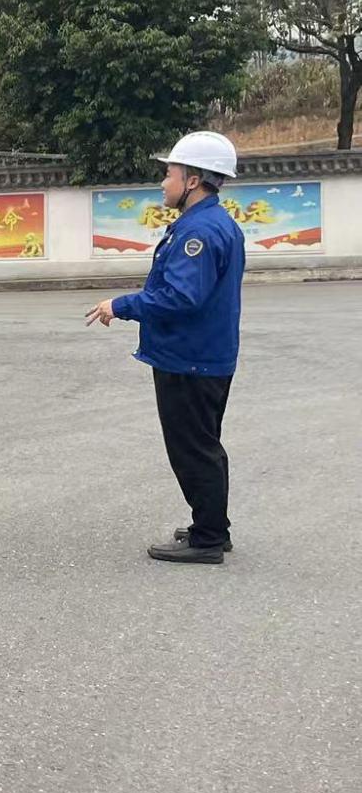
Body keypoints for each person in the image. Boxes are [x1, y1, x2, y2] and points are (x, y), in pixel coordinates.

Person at [86, 131, 246, 564]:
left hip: (189, 358)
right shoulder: (212, 223)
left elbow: (180, 297)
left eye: (169, 173)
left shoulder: (200, 231)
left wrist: (121, 306)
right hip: (202, 354)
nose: (163, 182)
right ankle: (212, 526)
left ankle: (207, 539)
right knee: (203, 443)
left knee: (192, 448)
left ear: (192, 180)